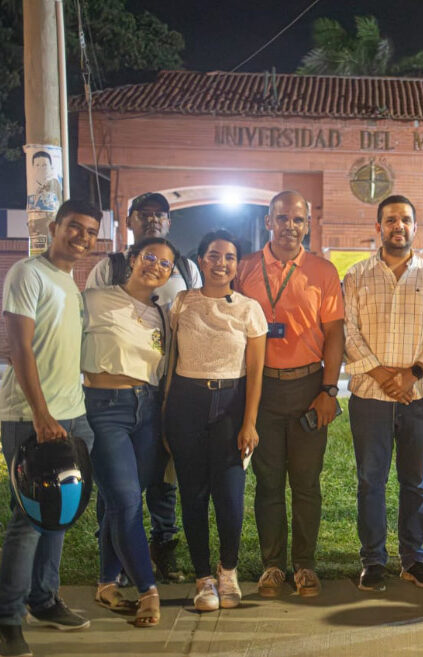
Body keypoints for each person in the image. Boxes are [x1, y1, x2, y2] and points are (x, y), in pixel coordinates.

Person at [0, 199, 102, 657]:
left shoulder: (70, 282)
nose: (82, 237)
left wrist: (69, 415)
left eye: (90, 231)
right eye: (75, 227)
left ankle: (44, 600)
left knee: (57, 516)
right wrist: (41, 416)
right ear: (55, 227)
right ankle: (7, 617)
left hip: (72, 416)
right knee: (29, 521)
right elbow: (18, 349)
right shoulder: (27, 273)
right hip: (30, 418)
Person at [235, 190, 345, 598]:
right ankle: (272, 565)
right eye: (282, 219)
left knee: (306, 482)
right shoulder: (245, 267)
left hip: (307, 387)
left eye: (298, 220)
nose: (290, 227)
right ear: (268, 222)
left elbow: (335, 331)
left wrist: (329, 390)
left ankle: (305, 564)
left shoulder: (322, 271)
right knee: (266, 482)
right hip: (260, 388)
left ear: (307, 224)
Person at [86, 191, 200, 582]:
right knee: (117, 483)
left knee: (162, 476)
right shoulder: (109, 267)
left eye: (161, 215)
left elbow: (196, 320)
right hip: (114, 396)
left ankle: (163, 550)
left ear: (169, 223)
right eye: (145, 214)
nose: (153, 220)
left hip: (167, 387)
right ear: (130, 220)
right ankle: (114, 559)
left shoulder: (186, 267)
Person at [343, 195, 423, 592]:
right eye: (390, 220)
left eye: (405, 220)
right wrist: (382, 373)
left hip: (419, 394)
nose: (398, 226)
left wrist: (412, 374)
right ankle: (373, 560)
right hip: (370, 394)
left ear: (415, 228)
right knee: (371, 481)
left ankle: (413, 559)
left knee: (414, 481)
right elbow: (348, 331)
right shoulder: (356, 276)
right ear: (378, 227)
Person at [165, 230, 266, 611]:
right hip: (186, 404)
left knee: (229, 495)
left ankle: (228, 571)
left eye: (228, 256)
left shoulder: (249, 309)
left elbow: (255, 372)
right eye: (213, 255)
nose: (220, 262)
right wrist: (166, 419)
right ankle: (203, 578)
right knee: (192, 495)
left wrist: (249, 422)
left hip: (231, 405)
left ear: (237, 265)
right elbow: (172, 364)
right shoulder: (182, 303)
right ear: (201, 260)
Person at [83, 238, 179, 627]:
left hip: (148, 410)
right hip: (105, 409)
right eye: (150, 257)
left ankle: (107, 583)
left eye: (166, 264)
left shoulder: (161, 316)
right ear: (134, 260)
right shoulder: (93, 299)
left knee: (125, 498)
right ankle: (147, 589)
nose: (156, 266)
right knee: (123, 500)